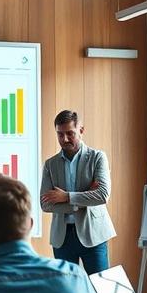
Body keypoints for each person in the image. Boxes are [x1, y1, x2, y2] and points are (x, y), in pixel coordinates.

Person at [40, 109, 116, 274]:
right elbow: (45, 204)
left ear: (81, 131)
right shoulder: (50, 165)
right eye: (60, 134)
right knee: (67, 291)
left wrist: (65, 197)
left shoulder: (97, 158)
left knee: (100, 290)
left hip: (94, 234)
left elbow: (102, 195)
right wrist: (84, 199)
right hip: (62, 238)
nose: (65, 139)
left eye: (70, 133)